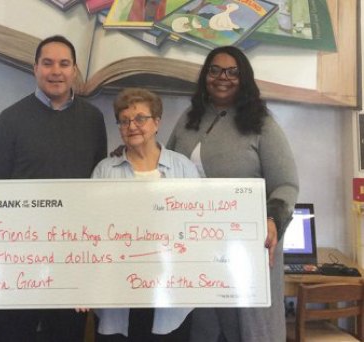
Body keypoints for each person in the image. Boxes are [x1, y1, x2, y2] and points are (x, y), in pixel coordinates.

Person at [166, 45, 299, 342]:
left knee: (248, 331)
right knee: (203, 328)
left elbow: (286, 184)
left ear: (244, 78)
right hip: (198, 249)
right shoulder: (188, 119)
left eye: (232, 71)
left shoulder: (261, 123)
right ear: (205, 76)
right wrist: (129, 155)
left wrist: (272, 219)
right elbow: (166, 168)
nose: (222, 77)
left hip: (249, 247)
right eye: (214, 70)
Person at [0, 35, 107, 341]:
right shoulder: (9, 120)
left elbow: (98, 186)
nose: (56, 71)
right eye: (48, 63)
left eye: (64, 64)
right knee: (13, 333)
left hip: (72, 258)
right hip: (18, 260)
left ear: (74, 70)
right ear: (35, 68)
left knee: (67, 334)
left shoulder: (93, 119)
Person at [92, 88, 199, 341]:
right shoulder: (105, 170)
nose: (133, 126)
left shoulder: (182, 167)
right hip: (117, 295)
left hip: (171, 298)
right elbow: (92, 231)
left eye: (141, 118)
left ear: (157, 123)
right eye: (125, 120)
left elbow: (197, 226)